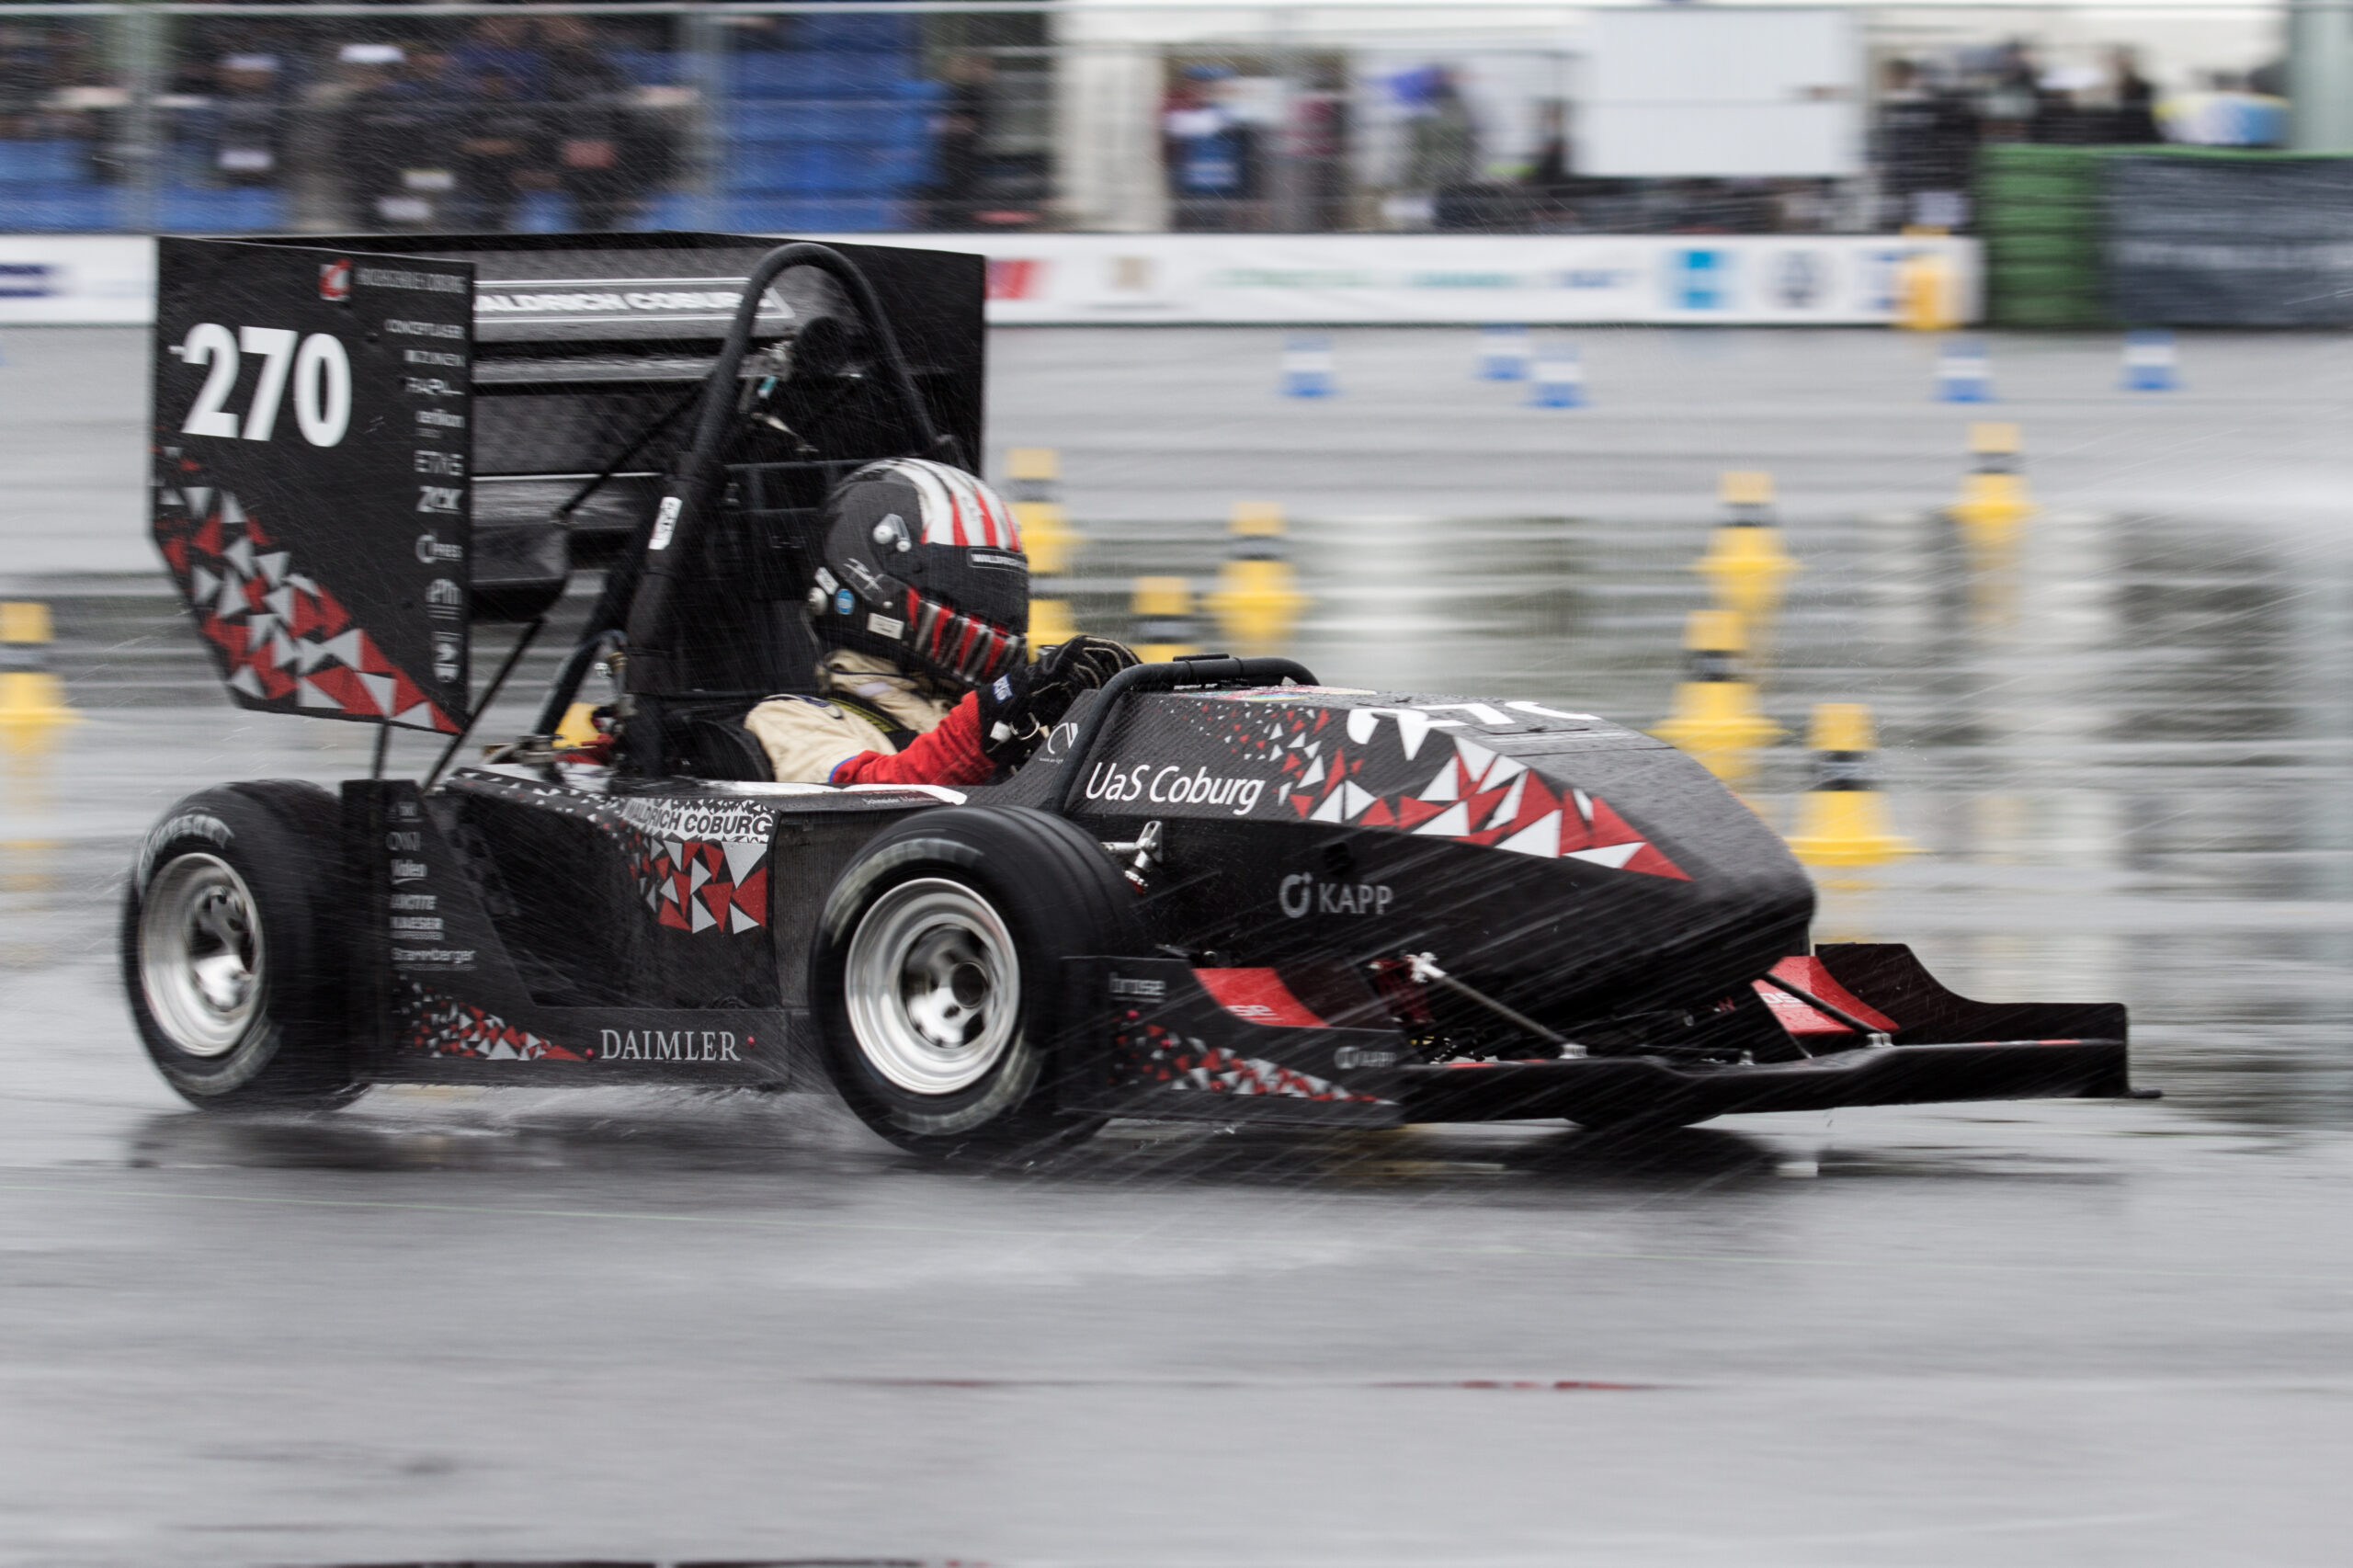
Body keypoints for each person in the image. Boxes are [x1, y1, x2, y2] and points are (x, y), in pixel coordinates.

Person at [743, 459, 1137, 788]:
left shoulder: (1007, 714)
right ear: (869, 585)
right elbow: (868, 798)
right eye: (966, 585)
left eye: (998, 588)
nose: (992, 606)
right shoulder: (790, 720)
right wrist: (996, 709)